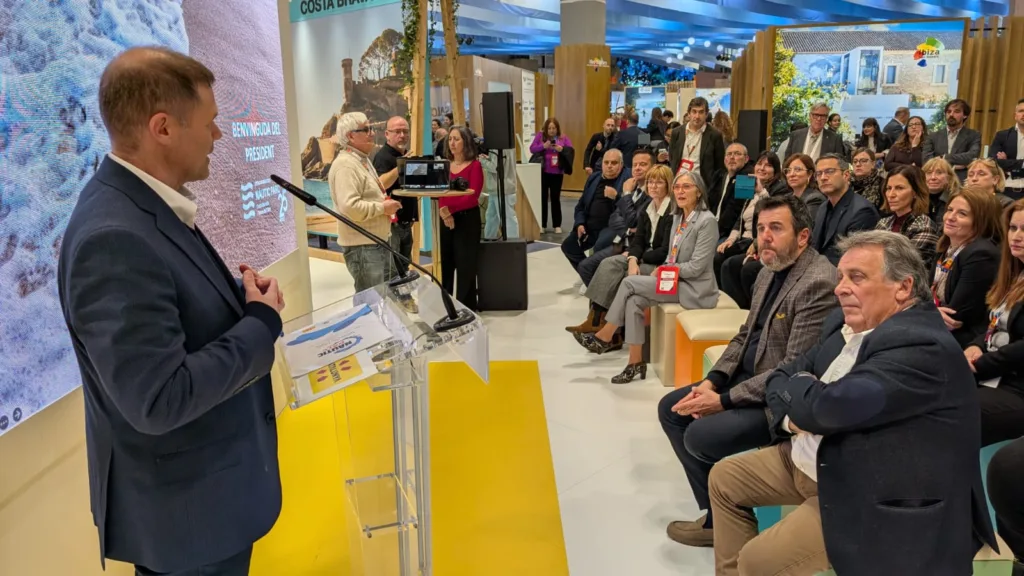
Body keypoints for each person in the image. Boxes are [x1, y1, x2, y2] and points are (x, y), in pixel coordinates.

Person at [56, 47, 285, 575]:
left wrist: (235, 294)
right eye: (211, 123)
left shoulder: (144, 204)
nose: (219, 136)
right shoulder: (112, 237)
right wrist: (260, 324)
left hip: (203, 508)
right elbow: (158, 399)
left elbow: (165, 300)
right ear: (163, 128)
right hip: (188, 524)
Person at [710, 231, 997, 576]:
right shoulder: (849, 322)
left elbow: (823, 409)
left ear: (903, 288)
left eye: (857, 277)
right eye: (841, 276)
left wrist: (806, 401)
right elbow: (783, 374)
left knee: (757, 561)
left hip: (866, 489)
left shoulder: (920, 346)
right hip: (809, 457)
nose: (840, 288)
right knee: (725, 478)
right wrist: (795, 415)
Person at [659, 194, 837, 547]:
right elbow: (745, 335)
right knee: (671, 410)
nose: (764, 237)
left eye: (775, 228)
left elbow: (790, 369)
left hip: (777, 399)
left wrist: (723, 401)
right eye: (760, 228)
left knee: (700, 436)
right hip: (745, 378)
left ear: (802, 236)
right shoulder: (768, 271)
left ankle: (729, 516)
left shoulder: (818, 282)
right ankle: (715, 519)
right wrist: (714, 380)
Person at [574, 171, 719, 383]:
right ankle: (634, 363)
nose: (680, 191)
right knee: (633, 301)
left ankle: (605, 335)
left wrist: (664, 270)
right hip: (675, 281)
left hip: (695, 288)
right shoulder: (679, 217)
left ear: (699, 192)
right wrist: (665, 268)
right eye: (677, 187)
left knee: (629, 282)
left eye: (686, 187)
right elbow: (672, 254)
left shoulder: (707, 221)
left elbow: (697, 267)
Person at [567, 164, 674, 335]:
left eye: (659, 182)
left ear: (668, 185)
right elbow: (638, 240)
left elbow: (665, 250)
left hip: (659, 263)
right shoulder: (649, 208)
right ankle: (595, 319)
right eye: (650, 182)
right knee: (608, 264)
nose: (653, 186)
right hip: (642, 255)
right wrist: (632, 258)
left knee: (623, 276)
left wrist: (638, 258)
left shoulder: (672, 212)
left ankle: (613, 331)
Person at [965, 199, 1024, 445]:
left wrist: (980, 364)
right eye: (1013, 228)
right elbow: (994, 323)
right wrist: (976, 346)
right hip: (993, 371)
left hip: (1017, 386)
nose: (1017, 236)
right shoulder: (1013, 273)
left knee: (949, 412)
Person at [331, 112, 402, 292]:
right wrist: (382, 208)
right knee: (371, 303)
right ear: (350, 136)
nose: (372, 133)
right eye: (366, 129)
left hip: (375, 242)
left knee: (383, 300)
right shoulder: (345, 165)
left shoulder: (361, 159)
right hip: (363, 247)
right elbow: (350, 207)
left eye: (371, 128)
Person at [933, 186, 1004, 348]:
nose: (950, 217)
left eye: (962, 214)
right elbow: (924, 293)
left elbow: (955, 317)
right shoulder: (946, 246)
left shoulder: (981, 254)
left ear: (981, 220)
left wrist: (924, 311)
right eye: (949, 209)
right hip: (937, 328)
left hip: (964, 341)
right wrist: (929, 310)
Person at [575, 149, 654, 287]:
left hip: (637, 247)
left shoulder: (649, 191)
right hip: (622, 239)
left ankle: (604, 303)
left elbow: (633, 221)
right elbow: (615, 217)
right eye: (635, 164)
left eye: (643, 164)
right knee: (584, 266)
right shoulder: (633, 186)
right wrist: (628, 229)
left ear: (652, 167)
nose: (637, 168)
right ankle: (602, 304)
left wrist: (626, 194)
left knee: (597, 259)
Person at [562, 149, 627, 273]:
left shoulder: (626, 179)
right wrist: (579, 223)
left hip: (610, 227)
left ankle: (590, 273)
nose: (609, 166)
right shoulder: (594, 178)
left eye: (614, 163)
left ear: (621, 165)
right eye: (606, 162)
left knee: (599, 246)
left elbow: (628, 209)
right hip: (589, 226)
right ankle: (588, 274)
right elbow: (580, 205)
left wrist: (617, 196)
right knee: (568, 245)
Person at [440, 125, 484, 310]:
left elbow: (472, 196)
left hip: (466, 220)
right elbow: (439, 192)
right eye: (450, 139)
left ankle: (466, 308)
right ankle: (448, 306)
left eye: (456, 139)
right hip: (445, 219)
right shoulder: (444, 166)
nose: (452, 142)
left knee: (466, 265)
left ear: (466, 142)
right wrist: (443, 210)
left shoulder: (475, 166)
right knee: (447, 264)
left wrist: (449, 209)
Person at [811, 153, 880, 265]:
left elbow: (854, 259)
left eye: (829, 171)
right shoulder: (823, 207)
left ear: (846, 175)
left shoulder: (862, 211)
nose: (823, 177)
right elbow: (814, 246)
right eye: (818, 174)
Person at [373, 116, 418, 266]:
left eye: (405, 131)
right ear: (387, 134)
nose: (402, 135)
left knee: (404, 269)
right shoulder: (382, 157)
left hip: (406, 222)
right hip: (391, 225)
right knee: (392, 272)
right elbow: (381, 185)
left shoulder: (406, 155)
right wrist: (401, 166)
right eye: (397, 131)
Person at [875, 165, 940, 264]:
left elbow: (902, 267)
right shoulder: (883, 223)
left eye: (899, 188)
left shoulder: (925, 227)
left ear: (915, 192)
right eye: (888, 188)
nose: (891, 194)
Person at [668, 96, 726, 194]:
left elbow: (719, 166)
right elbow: (672, 158)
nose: (697, 116)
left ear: (706, 114)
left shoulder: (715, 135)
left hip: (702, 187)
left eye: (701, 112)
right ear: (689, 113)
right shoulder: (676, 133)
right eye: (694, 111)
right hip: (679, 184)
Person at [530, 117, 574, 233]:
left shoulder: (563, 137)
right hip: (543, 172)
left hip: (557, 173)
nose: (551, 130)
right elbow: (532, 149)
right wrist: (543, 146)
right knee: (543, 198)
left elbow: (571, 150)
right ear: (545, 129)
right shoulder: (540, 136)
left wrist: (562, 149)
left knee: (555, 198)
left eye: (554, 128)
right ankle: (542, 224)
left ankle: (557, 225)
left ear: (557, 128)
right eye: (549, 128)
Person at [924, 98, 982, 182]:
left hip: (962, 180)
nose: (951, 114)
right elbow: (927, 160)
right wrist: (955, 166)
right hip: (936, 179)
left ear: (965, 115)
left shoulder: (974, 135)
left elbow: (972, 156)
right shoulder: (933, 136)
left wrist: (944, 157)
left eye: (956, 111)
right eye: (948, 111)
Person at [777, 102, 847, 161]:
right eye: (816, 115)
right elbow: (787, 161)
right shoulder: (796, 135)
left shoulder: (835, 139)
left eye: (823, 116)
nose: (819, 119)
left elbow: (839, 163)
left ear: (826, 119)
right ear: (810, 116)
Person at [710, 143, 754, 238]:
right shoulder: (719, 175)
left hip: (729, 233)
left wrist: (714, 233)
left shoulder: (747, 178)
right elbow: (708, 202)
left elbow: (736, 211)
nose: (732, 157)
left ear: (746, 159)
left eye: (737, 154)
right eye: (729, 154)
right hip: (711, 226)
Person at [989, 98, 1024, 201]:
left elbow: (1002, 163)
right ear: (1015, 115)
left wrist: (1008, 165)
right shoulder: (1002, 135)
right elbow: (993, 161)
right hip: (1006, 190)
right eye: (1021, 111)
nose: (1023, 114)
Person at [783, 153, 826, 220]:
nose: (791, 174)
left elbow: (807, 226)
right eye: (788, 170)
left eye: (797, 170)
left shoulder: (814, 198)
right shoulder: (786, 198)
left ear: (810, 174)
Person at [923, 156, 961, 223]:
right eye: (929, 173)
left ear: (949, 177)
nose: (933, 177)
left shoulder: (957, 199)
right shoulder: (917, 198)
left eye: (939, 172)